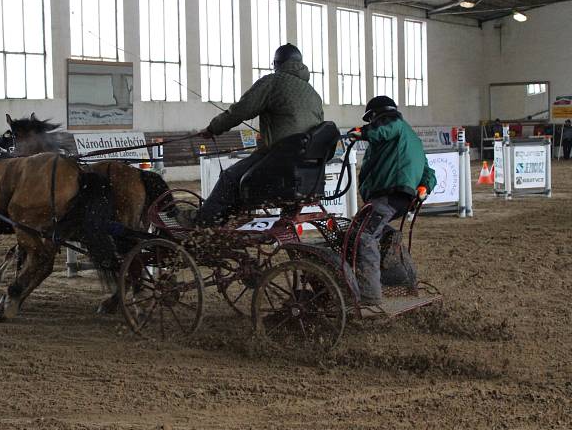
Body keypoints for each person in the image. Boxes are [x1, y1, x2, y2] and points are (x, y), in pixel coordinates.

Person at [182, 43, 324, 226]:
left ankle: (201, 224)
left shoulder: (273, 81)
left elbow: (240, 111)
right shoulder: (313, 94)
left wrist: (213, 129)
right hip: (308, 170)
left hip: (280, 162)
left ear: (276, 63)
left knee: (229, 178)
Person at [348, 96, 437, 305]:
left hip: (389, 194)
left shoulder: (393, 125)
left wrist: (363, 132)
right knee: (367, 228)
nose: (371, 124)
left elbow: (383, 130)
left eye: (372, 120)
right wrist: (425, 187)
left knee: (364, 236)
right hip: (400, 199)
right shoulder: (411, 138)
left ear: (378, 116)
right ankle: (397, 265)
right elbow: (428, 172)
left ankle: (370, 295)